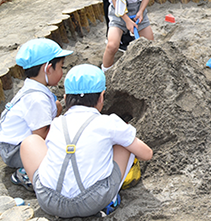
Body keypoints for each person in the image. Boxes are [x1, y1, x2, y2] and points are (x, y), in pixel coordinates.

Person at [20, 64, 153, 218]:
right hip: (93, 201)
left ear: (65, 98)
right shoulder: (109, 122)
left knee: (30, 142)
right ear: (102, 96)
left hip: (50, 201)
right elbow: (147, 154)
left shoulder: (57, 123)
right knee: (124, 143)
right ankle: (110, 200)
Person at [0, 38, 73, 191]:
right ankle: (26, 172)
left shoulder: (34, 86)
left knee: (56, 106)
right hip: (14, 150)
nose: (62, 72)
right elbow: (40, 135)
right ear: (48, 68)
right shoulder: (37, 99)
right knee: (60, 149)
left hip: (11, 142)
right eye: (61, 67)